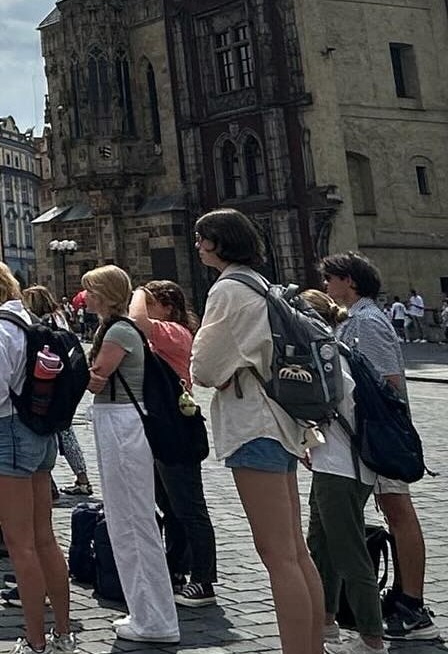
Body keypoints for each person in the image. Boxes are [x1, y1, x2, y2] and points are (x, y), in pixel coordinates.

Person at [189, 208, 323, 654]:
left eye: (203, 238)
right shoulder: (261, 283)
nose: (197, 246)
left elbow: (204, 367)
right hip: (282, 421)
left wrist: (222, 369)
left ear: (220, 242)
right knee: (296, 551)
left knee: (278, 556)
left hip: (253, 425)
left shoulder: (227, 289)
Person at [0, 253, 75, 654]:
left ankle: (35, 641)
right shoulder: (28, 319)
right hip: (39, 434)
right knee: (45, 540)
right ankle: (63, 634)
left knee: (20, 544)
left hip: (6, 434)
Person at [321, 251, 437, 641]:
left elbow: (389, 383)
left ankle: (412, 606)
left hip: (381, 434)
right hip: (373, 433)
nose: (326, 285)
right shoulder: (355, 319)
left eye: (331, 278)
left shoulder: (366, 322)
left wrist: (374, 429)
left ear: (349, 281)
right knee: (394, 512)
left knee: (399, 511)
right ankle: (404, 597)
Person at [82, 266, 179, 644]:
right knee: (127, 519)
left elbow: (96, 378)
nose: (86, 298)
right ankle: (145, 611)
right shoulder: (118, 327)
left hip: (122, 423)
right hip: (118, 421)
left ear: (105, 294)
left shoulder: (118, 331)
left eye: (91, 291)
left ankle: (155, 619)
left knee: (132, 522)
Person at [299, 289, 388, 653]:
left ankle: (371, 638)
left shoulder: (330, 355)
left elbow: (331, 404)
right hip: (333, 464)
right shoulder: (334, 350)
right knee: (320, 546)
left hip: (342, 468)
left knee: (349, 552)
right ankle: (326, 622)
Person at [130, 280, 217, 608]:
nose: (143, 307)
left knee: (190, 508)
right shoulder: (162, 335)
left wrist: (138, 291)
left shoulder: (175, 333)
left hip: (177, 429)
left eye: (151, 303)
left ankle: (204, 580)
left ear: (168, 308)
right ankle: (176, 568)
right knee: (171, 505)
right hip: (161, 426)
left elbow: (138, 321)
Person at [21, 286, 93, 498]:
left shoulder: (40, 323)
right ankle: (81, 478)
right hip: (68, 377)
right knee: (66, 432)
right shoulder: (60, 317)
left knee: (47, 431)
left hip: (49, 379)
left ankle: (50, 484)